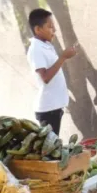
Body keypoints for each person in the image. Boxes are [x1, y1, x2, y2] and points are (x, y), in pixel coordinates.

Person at [26, 8, 78, 136]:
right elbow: (45, 77)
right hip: (48, 109)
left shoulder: (46, 45)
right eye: (50, 27)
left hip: (55, 107)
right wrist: (63, 57)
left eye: (54, 26)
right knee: (50, 149)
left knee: (53, 145)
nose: (54, 30)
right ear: (38, 29)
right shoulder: (36, 49)